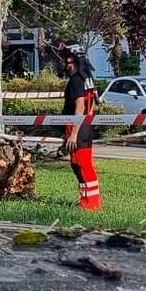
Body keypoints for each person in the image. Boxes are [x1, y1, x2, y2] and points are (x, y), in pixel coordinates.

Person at [59, 50, 101, 211]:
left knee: (82, 164)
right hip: (86, 125)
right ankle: (87, 200)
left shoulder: (76, 80)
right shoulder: (87, 77)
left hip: (77, 126)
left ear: (73, 61)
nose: (63, 63)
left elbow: (80, 106)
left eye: (65, 60)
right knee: (79, 164)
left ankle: (90, 204)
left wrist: (73, 134)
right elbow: (93, 104)